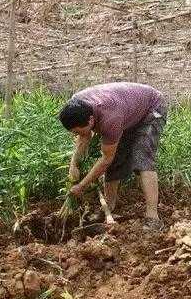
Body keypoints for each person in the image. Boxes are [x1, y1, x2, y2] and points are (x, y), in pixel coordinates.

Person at [58, 82, 167, 230]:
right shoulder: (77, 104)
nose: (77, 135)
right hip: (127, 109)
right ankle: (108, 207)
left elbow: (105, 159)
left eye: (78, 131)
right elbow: (84, 136)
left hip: (151, 108)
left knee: (142, 158)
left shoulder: (109, 119)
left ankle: (153, 217)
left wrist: (81, 186)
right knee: (116, 159)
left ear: (91, 120)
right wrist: (73, 165)